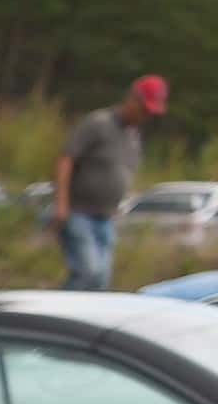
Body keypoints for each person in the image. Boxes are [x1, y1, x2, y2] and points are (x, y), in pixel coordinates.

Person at [54, 75, 167, 289]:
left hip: (105, 218)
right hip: (78, 212)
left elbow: (124, 171)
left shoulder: (133, 136)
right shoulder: (98, 123)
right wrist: (61, 203)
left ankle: (84, 310)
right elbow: (65, 158)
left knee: (101, 280)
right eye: (144, 109)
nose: (146, 116)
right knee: (88, 272)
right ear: (132, 98)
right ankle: (58, 308)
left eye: (150, 112)